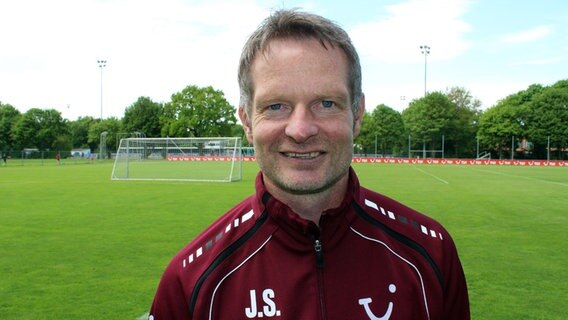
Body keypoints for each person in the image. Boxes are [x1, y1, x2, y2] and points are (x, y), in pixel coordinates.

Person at [149, 9, 469, 320]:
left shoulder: (431, 253)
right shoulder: (191, 281)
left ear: (356, 115)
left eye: (326, 103)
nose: (300, 130)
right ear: (247, 122)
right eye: (276, 106)